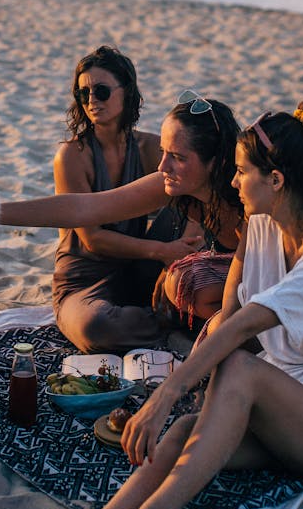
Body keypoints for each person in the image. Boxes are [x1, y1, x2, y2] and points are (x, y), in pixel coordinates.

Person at [16, 95, 303, 509]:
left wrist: (164, 397)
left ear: (275, 180)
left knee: (239, 367)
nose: (232, 181)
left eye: (241, 171)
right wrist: (188, 397)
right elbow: (226, 313)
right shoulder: (262, 223)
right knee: (190, 432)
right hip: (290, 402)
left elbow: (245, 327)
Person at [1, 84, 243, 353]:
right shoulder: (178, 186)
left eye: (177, 157)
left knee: (187, 281)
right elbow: (84, 209)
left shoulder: (247, 202)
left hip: (266, 300)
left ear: (216, 162)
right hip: (199, 292)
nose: (163, 166)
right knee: (184, 281)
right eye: (163, 152)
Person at [52, 47, 199, 353]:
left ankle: (168, 310)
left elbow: (196, 192)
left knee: (189, 197)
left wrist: (175, 263)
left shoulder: (148, 147)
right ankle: (166, 322)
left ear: (127, 92)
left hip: (136, 270)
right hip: (83, 281)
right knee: (96, 328)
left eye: (102, 91)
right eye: (83, 93)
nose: (92, 100)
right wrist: (162, 251)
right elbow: (92, 239)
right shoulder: (72, 156)